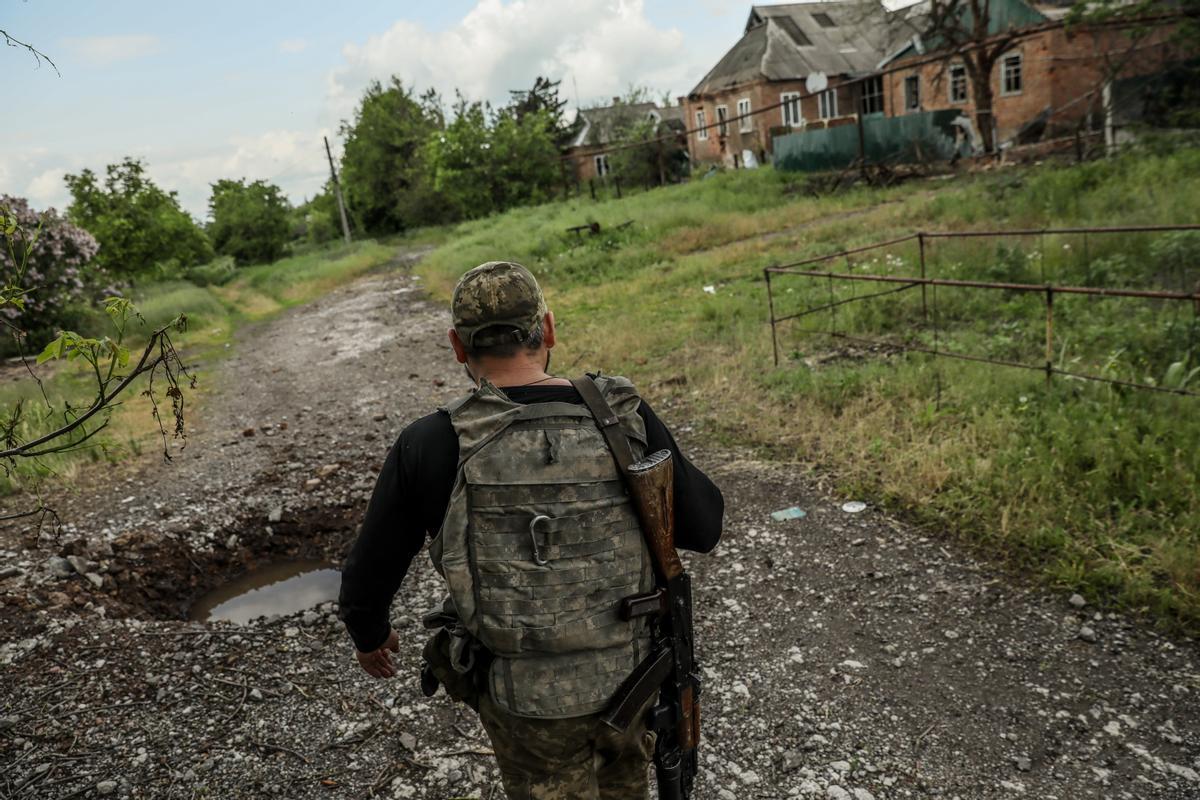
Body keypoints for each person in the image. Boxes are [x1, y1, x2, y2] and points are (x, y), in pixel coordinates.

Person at [338, 261, 723, 799]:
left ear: (456, 345)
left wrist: (370, 636)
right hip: (631, 682)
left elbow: (369, 572)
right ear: (547, 330)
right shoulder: (620, 416)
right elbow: (704, 527)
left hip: (523, 698)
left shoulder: (433, 441)